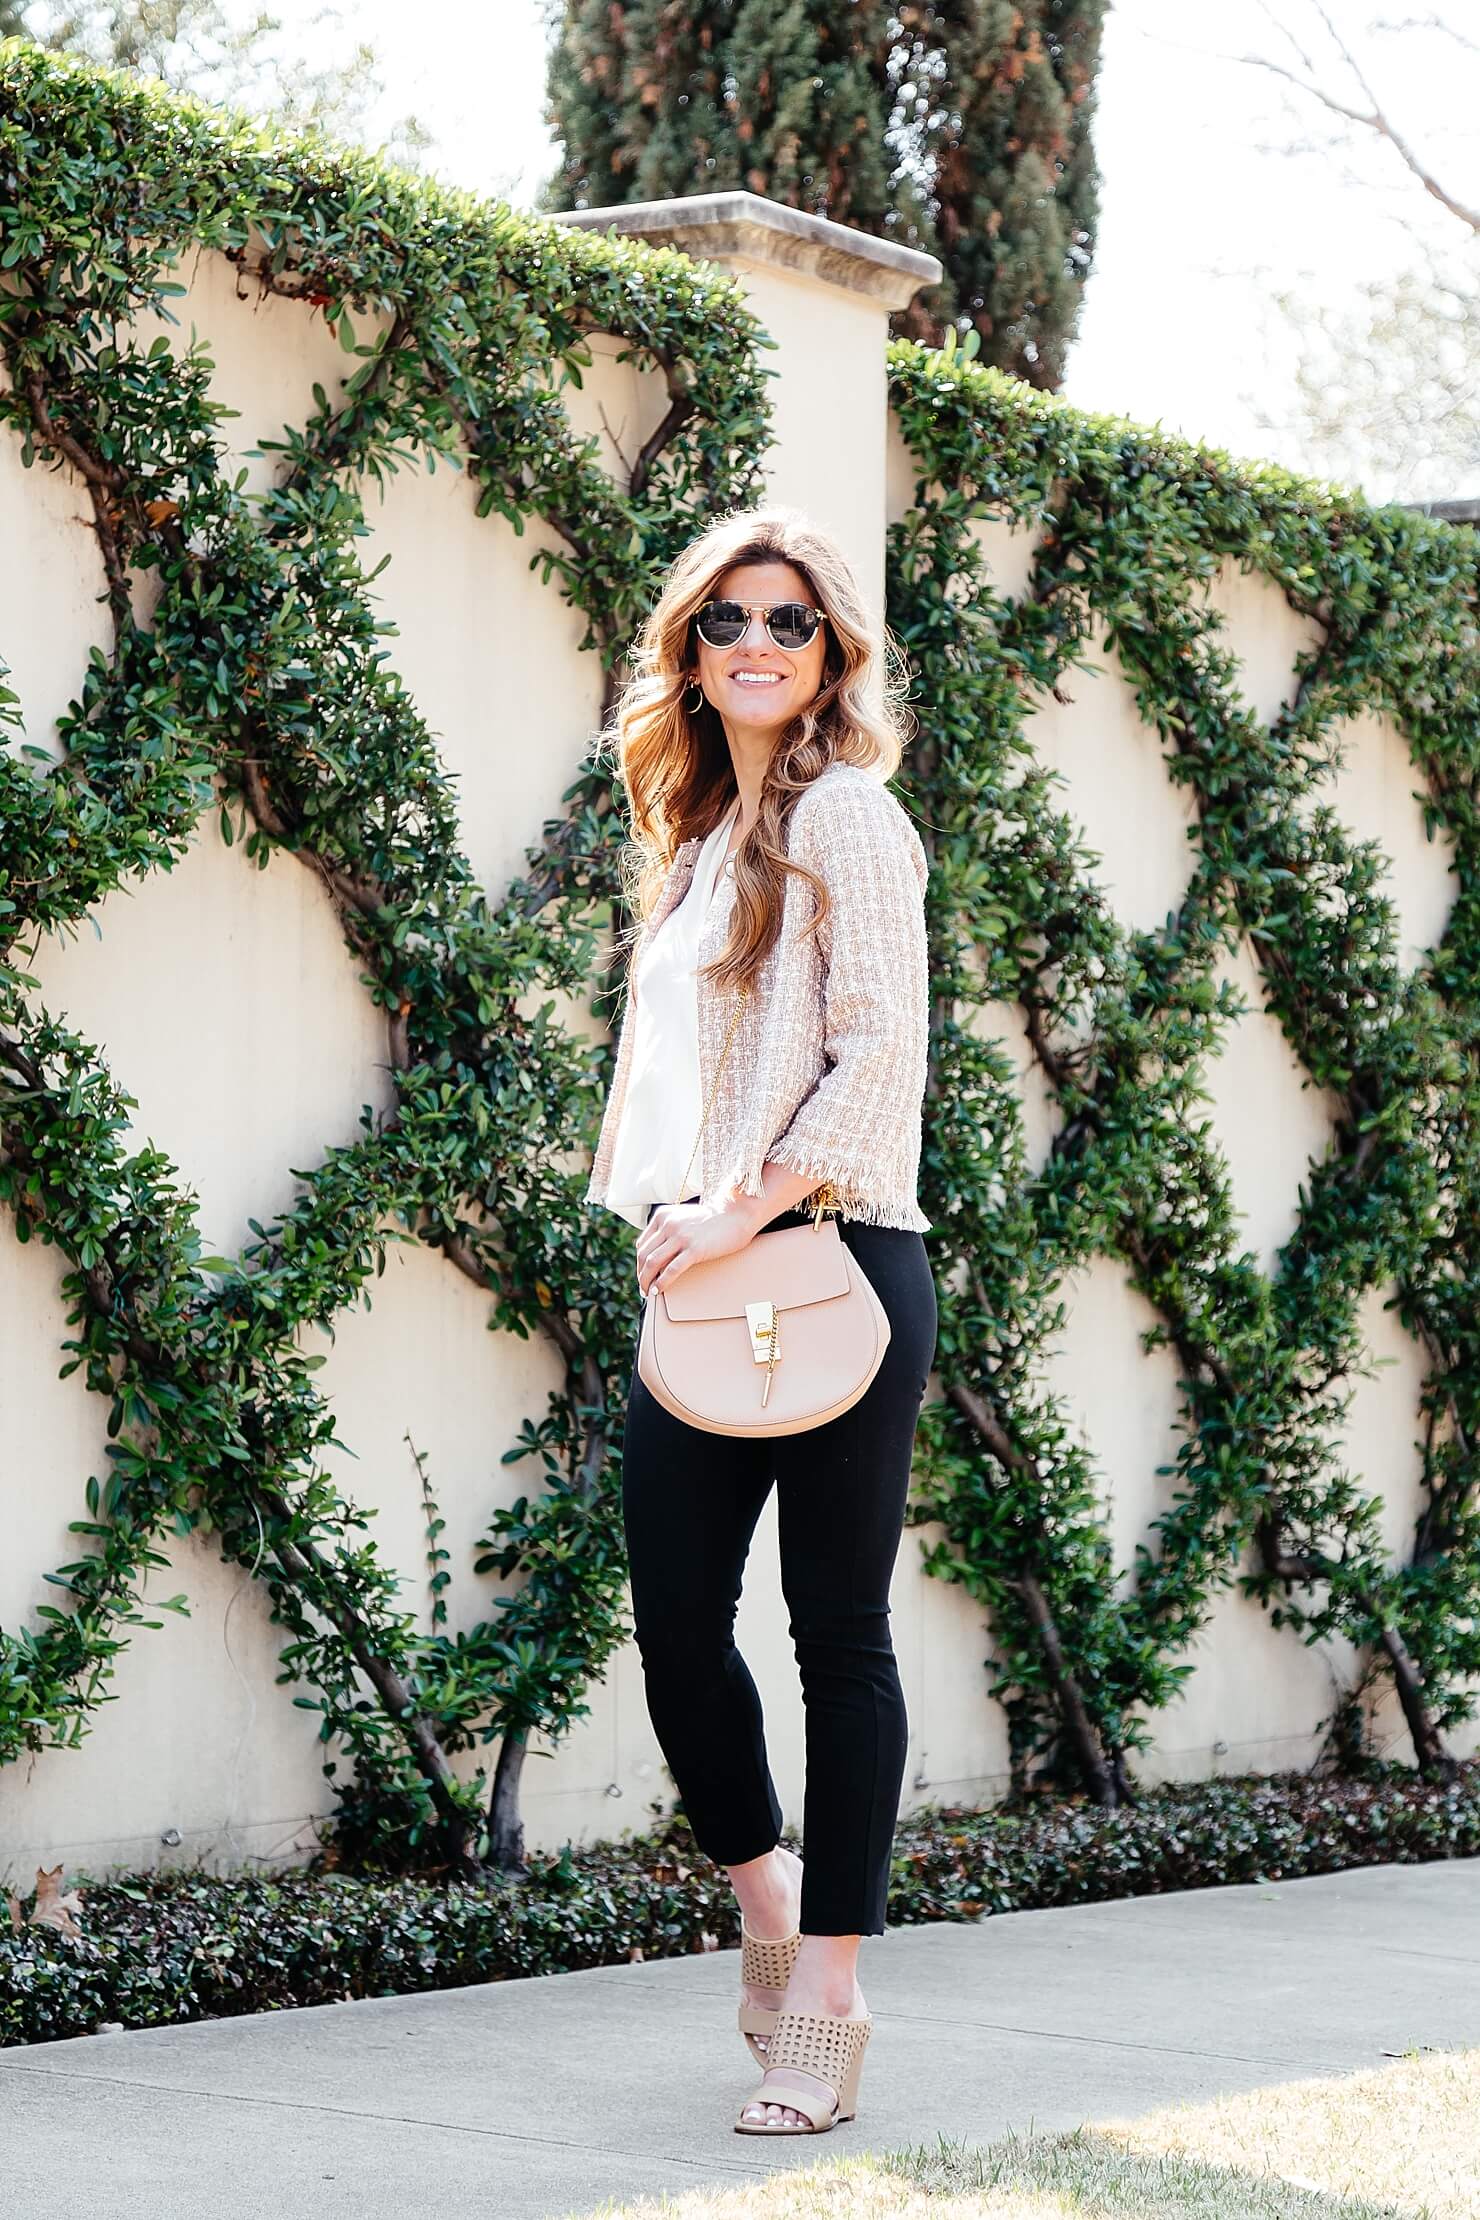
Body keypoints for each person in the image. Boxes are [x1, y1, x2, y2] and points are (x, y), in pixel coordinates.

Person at [584, 504, 938, 2135]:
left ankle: (837, 1998)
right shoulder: (699, 834)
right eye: (725, 620)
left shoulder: (852, 818)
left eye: (788, 621)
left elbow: (881, 1056)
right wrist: (680, 1216)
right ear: (689, 650)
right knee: (674, 1630)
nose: (754, 645)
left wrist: (741, 1202)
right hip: (708, 1275)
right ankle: (773, 1905)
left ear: (832, 650)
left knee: (839, 1637)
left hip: (839, 1259)